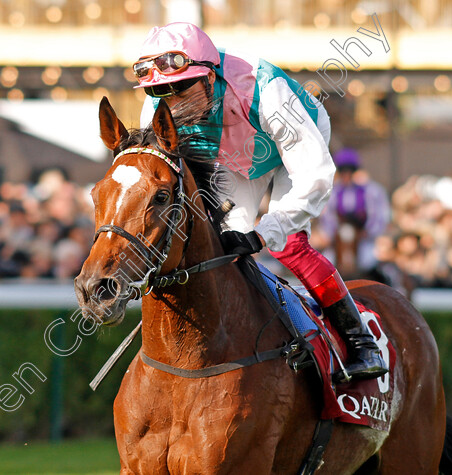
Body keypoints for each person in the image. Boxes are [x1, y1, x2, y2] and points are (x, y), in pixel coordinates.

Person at [133, 22, 386, 383]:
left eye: (182, 87)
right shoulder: (154, 111)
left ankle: (360, 342)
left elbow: (315, 176)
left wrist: (265, 232)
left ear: (210, 76)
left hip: (291, 145)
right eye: (161, 91)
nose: (173, 102)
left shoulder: (266, 91)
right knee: (222, 245)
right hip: (234, 160)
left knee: (288, 245)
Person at [319, 148, 391, 278]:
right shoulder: (332, 193)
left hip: (363, 238)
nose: (347, 175)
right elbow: (327, 217)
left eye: (350, 171)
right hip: (339, 238)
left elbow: (377, 216)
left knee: (370, 262)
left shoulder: (370, 192)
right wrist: (331, 234)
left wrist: (367, 232)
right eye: (343, 171)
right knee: (324, 263)